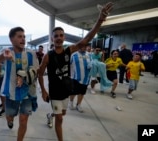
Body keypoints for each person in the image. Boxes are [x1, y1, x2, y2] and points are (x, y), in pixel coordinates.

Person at [38, 2, 113, 141]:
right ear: (52, 39)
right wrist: (43, 90)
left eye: (61, 35)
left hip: (66, 89)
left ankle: (50, 115)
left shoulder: (69, 50)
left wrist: (100, 20)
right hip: (54, 91)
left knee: (62, 113)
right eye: (56, 36)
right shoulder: (48, 56)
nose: (59, 38)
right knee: (60, 119)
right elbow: (40, 73)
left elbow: (87, 39)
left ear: (64, 38)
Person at [0, 27, 39, 141]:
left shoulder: (31, 53)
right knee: (10, 116)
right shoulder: (6, 51)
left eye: (24, 36)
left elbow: (37, 70)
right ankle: (10, 120)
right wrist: (4, 56)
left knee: (23, 120)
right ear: (11, 39)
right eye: (19, 36)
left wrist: (26, 76)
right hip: (10, 93)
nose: (23, 39)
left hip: (27, 93)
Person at [69, 44, 92, 113]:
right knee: (73, 92)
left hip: (86, 78)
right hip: (75, 78)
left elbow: (92, 64)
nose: (83, 47)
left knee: (82, 92)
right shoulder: (74, 55)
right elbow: (69, 65)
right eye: (82, 46)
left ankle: (78, 105)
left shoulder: (89, 55)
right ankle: (71, 102)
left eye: (85, 46)